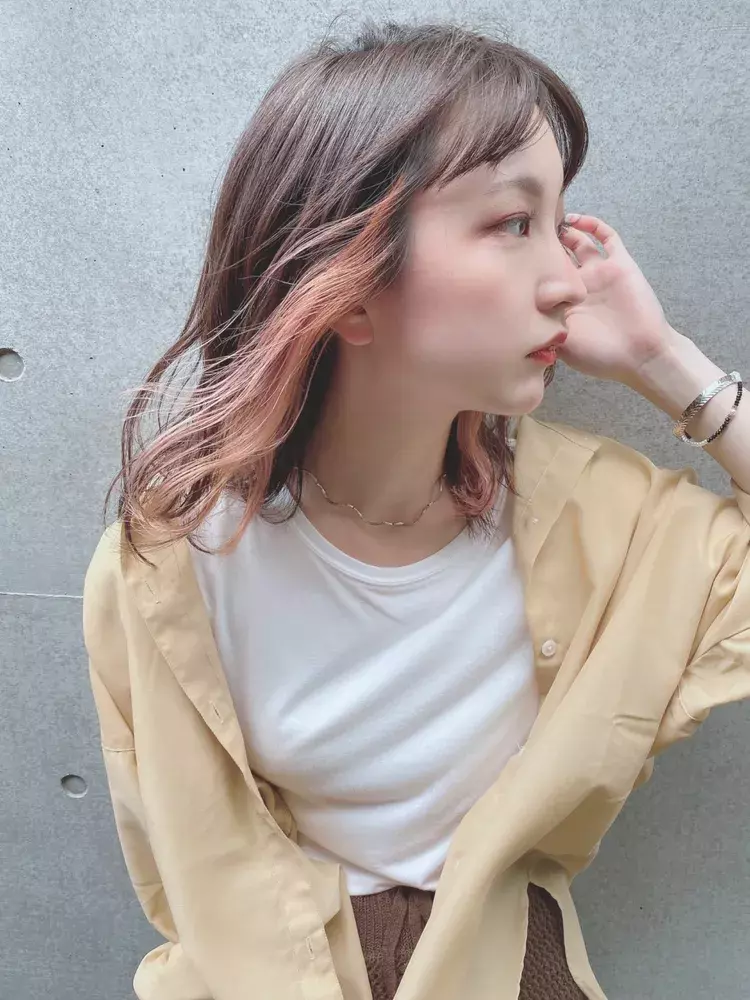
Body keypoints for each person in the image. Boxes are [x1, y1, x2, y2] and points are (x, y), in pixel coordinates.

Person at [82, 20, 750, 1000]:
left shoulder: (604, 523)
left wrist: (668, 365)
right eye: (513, 222)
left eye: (559, 222)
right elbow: (181, 868)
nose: (568, 280)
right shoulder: (172, 566)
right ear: (347, 287)